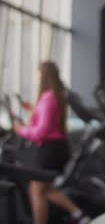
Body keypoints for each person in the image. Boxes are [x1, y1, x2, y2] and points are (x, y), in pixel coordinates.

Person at [14, 61, 90, 224]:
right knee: (44, 190)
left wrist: (20, 129)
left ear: (44, 76)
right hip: (57, 147)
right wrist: (32, 109)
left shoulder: (48, 98)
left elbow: (42, 131)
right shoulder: (56, 95)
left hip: (50, 150)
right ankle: (78, 215)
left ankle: (77, 215)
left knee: (36, 191)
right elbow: (48, 119)